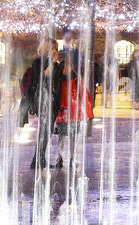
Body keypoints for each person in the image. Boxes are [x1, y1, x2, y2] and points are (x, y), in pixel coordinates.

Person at [19, 38, 60, 170]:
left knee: (47, 131)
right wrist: (53, 63)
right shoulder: (38, 62)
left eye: (56, 48)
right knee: (45, 129)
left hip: (53, 101)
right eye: (53, 48)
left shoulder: (57, 64)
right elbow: (42, 78)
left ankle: (39, 159)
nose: (55, 51)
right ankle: (37, 160)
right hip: (42, 100)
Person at [49, 51, 93, 172]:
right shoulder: (57, 80)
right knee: (61, 138)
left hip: (74, 114)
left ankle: (72, 159)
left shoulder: (75, 80)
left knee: (72, 137)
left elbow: (85, 96)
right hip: (63, 114)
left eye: (67, 66)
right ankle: (60, 159)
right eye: (63, 66)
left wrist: (89, 113)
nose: (65, 69)